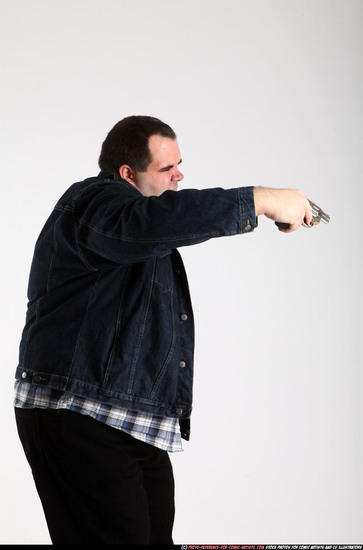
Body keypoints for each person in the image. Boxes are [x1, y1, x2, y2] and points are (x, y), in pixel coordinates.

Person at [14, 115, 312, 545]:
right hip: (77, 414)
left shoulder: (133, 230)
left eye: (180, 165)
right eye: (167, 169)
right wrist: (260, 200)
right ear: (127, 174)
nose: (180, 176)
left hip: (128, 420)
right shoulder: (96, 203)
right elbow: (158, 219)